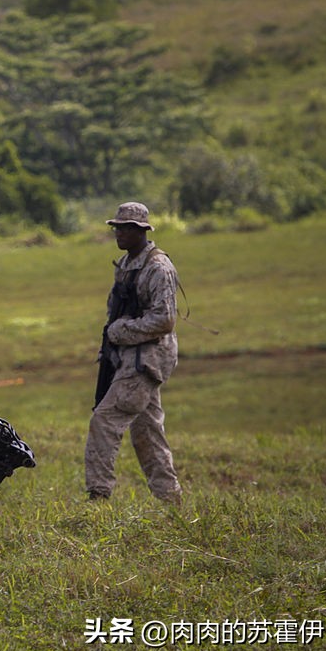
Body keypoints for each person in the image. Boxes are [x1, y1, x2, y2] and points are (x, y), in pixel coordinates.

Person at [85, 202, 182, 504]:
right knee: (148, 433)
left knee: (104, 420)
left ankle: (98, 495)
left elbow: (165, 320)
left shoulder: (158, 267)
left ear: (142, 231)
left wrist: (121, 331)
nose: (120, 234)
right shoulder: (127, 265)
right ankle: (171, 500)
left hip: (147, 357)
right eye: (117, 227)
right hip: (130, 356)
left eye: (127, 228)